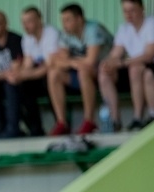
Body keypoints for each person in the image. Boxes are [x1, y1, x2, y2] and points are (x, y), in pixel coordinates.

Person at [47, 4, 114, 135]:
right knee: (54, 73)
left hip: (108, 72)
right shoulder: (66, 34)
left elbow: (91, 61)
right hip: (83, 72)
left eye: (68, 20)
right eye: (62, 21)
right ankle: (61, 122)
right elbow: (56, 62)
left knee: (83, 71)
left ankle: (89, 121)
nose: (64, 24)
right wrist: (72, 62)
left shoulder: (93, 29)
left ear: (79, 19)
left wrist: (70, 61)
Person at [98, 0, 154, 131]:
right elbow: (115, 53)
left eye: (132, 10)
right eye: (125, 11)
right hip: (132, 68)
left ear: (142, 9)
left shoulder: (153, 23)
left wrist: (122, 63)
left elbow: (149, 55)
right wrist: (108, 63)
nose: (128, 15)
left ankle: (137, 117)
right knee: (104, 72)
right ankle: (114, 120)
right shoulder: (124, 28)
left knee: (135, 69)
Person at [14, 6, 60, 136]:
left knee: (49, 79)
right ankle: (35, 128)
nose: (25, 26)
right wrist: (18, 75)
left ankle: (60, 123)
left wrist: (26, 75)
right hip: (39, 75)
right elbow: (28, 64)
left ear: (39, 20)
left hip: (55, 75)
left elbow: (50, 65)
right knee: (21, 85)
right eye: (23, 22)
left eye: (29, 21)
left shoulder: (51, 33)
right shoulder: (27, 38)